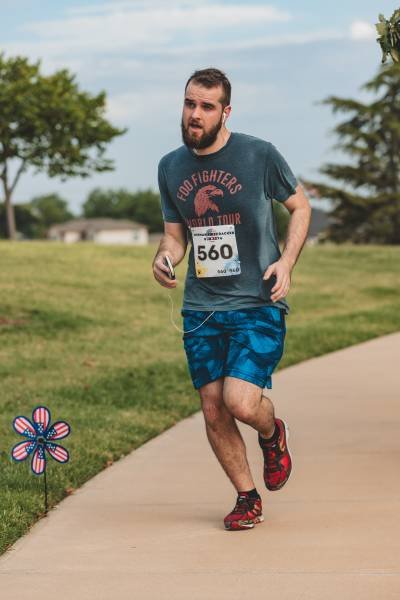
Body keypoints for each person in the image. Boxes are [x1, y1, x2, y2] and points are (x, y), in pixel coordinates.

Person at [152, 67, 311, 531]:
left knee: (240, 401)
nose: (195, 114)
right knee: (212, 407)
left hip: (257, 302)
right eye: (190, 103)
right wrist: (164, 258)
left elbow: (300, 206)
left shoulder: (259, 155)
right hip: (201, 309)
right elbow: (174, 236)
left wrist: (286, 262)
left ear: (225, 112)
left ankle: (271, 432)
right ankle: (247, 497)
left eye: (206, 106)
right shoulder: (170, 166)